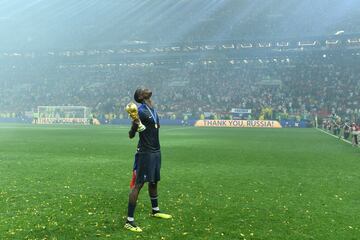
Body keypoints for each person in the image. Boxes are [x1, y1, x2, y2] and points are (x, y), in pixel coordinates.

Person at [124, 87, 172, 233]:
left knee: (154, 180)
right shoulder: (141, 111)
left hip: (156, 151)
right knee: (139, 184)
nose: (147, 88)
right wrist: (136, 126)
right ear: (140, 96)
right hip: (145, 153)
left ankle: (155, 210)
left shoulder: (152, 109)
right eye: (143, 89)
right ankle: (129, 221)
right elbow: (131, 134)